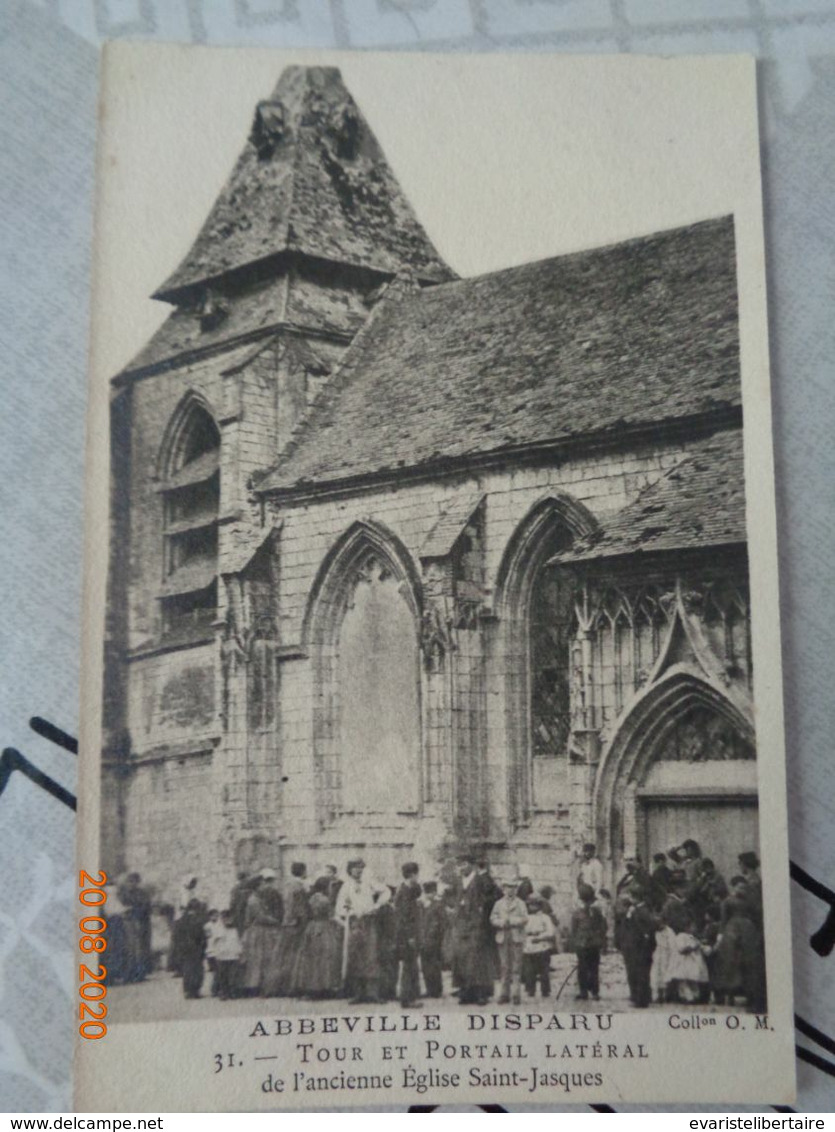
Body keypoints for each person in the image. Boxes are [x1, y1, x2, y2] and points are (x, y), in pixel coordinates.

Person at [335, 858, 390, 1004]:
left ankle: (373, 994)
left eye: (361, 868)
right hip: (355, 924)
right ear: (350, 870)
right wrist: (351, 912)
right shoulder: (346, 886)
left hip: (369, 922)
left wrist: (377, 905)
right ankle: (358, 994)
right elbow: (340, 907)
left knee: (371, 956)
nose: (358, 870)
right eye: (355, 868)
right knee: (356, 957)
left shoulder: (369, 883)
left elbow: (386, 891)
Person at [450, 854, 497, 1006]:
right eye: (458, 865)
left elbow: (494, 897)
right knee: (462, 958)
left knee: (477, 960)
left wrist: (480, 908)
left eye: (463, 864)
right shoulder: (458, 881)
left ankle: (481, 994)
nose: (461, 868)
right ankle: (466, 992)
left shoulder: (481, 880)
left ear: (471, 864)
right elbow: (454, 899)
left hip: (477, 925)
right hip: (461, 925)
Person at [293, 884, 344, 999]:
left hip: (312, 927)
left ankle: (313, 987)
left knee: (312, 958)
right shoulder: (324, 900)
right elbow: (331, 914)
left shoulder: (312, 899)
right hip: (325, 927)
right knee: (327, 957)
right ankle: (327, 986)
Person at [268, 862, 309, 996]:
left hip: (287, 923)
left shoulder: (287, 885)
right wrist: (304, 922)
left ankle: (279, 986)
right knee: (294, 956)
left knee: (283, 955)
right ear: (303, 871)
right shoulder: (299, 887)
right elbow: (300, 909)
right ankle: (290, 987)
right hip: (296, 924)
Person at [242, 870, 283, 996]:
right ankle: (260, 988)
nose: (263, 886)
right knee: (263, 959)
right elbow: (261, 917)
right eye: (261, 884)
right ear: (257, 886)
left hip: (259, 931)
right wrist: (276, 922)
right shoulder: (254, 900)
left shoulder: (256, 898)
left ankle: (260, 987)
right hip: (260, 931)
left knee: (261, 960)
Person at [490, 875, 528, 1006]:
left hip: (516, 936)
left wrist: (511, 921)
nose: (510, 890)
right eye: (507, 887)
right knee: (504, 966)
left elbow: (524, 919)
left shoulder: (521, 903)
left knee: (516, 967)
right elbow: (492, 918)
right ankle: (504, 994)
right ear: (503, 889)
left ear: (516, 889)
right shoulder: (498, 904)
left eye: (513, 887)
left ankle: (516, 994)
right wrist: (501, 923)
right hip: (502, 936)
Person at [617, 886, 656, 1008]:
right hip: (634, 946)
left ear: (635, 897)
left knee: (639, 973)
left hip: (639, 947)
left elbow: (646, 929)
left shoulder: (642, 911)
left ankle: (641, 999)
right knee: (636, 972)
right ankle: (639, 996)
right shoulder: (635, 910)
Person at [569, 884, 607, 1002]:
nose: (587, 904)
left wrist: (599, 938)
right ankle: (584, 991)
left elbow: (604, 927)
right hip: (583, 944)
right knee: (583, 968)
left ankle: (593, 991)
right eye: (586, 902)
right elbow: (574, 930)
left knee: (592, 967)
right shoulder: (578, 913)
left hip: (592, 944)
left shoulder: (596, 912)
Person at [394, 862, 423, 1008]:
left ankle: (410, 997)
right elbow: (405, 917)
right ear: (412, 875)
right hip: (407, 936)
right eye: (417, 874)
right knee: (409, 966)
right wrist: (410, 936)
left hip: (406, 935)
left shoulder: (407, 889)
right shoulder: (404, 892)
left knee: (410, 966)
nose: (418, 877)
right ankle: (407, 999)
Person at [118, 872, 152, 983]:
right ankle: (129, 974)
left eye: (135, 882)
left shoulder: (141, 893)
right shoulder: (123, 893)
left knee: (139, 948)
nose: (133, 884)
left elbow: (146, 905)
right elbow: (122, 905)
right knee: (130, 948)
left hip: (139, 920)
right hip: (128, 921)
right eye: (131, 881)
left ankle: (139, 974)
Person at [173, 897, 208, 999]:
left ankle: (188, 991)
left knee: (188, 970)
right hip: (196, 949)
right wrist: (203, 948)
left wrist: (179, 949)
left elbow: (175, 937)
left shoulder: (180, 921)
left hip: (185, 950)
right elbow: (202, 936)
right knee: (197, 970)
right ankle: (195, 990)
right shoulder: (198, 920)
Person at [522, 896, 556, 998]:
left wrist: (540, 937)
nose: (532, 907)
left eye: (534, 905)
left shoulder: (545, 917)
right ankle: (530, 989)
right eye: (530, 905)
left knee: (544, 969)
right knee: (529, 970)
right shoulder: (525, 918)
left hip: (542, 945)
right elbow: (521, 931)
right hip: (529, 945)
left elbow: (551, 931)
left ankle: (545, 990)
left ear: (539, 906)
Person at [419, 881, 446, 999]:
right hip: (424, 939)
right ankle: (430, 989)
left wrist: (432, 936)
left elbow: (439, 924)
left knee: (434, 965)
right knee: (425, 965)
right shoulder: (424, 906)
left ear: (435, 892)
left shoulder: (438, 905)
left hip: (434, 940)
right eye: (426, 892)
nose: (428, 895)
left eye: (430, 892)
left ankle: (437, 990)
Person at [212, 910, 244, 999]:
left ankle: (232, 992)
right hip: (222, 956)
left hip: (233, 956)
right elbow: (214, 942)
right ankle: (223, 992)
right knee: (223, 976)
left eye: (230, 919)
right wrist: (216, 953)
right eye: (225, 919)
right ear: (222, 919)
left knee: (233, 976)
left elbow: (238, 942)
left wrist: (240, 953)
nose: (228, 921)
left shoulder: (235, 930)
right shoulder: (218, 929)